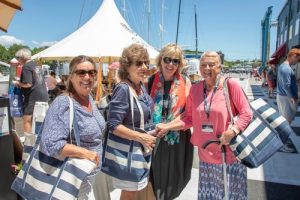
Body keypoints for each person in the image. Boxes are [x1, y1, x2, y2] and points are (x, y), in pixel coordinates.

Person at [156, 51, 253, 200]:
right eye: (203, 65)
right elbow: (189, 119)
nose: (207, 68)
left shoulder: (230, 85)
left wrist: (233, 131)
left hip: (228, 156)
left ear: (220, 67)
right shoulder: (195, 90)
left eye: (211, 64)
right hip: (206, 157)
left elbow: (247, 113)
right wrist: (167, 127)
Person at [40, 55, 106, 199]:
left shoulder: (89, 99)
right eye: (81, 72)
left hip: (88, 177)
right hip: (70, 179)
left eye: (91, 72)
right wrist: (85, 153)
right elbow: (50, 144)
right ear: (71, 76)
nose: (87, 76)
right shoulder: (63, 103)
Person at [107, 43, 156, 200]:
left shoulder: (141, 87)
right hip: (127, 152)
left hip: (140, 150)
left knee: (134, 191)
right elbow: (113, 125)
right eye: (138, 63)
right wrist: (141, 137)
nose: (144, 67)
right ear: (127, 66)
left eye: (145, 62)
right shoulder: (123, 89)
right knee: (129, 194)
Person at [147, 43, 193, 200]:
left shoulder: (185, 81)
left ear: (179, 64)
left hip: (178, 137)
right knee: (155, 177)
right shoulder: (150, 80)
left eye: (175, 61)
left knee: (174, 178)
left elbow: (189, 112)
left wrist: (168, 126)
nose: (170, 64)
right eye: (167, 59)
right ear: (161, 60)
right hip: (155, 136)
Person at [14, 48, 48, 134]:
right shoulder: (36, 65)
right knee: (38, 120)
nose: (18, 60)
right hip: (43, 94)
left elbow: (28, 84)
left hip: (33, 96)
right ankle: (37, 140)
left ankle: (28, 144)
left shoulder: (26, 67)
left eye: (18, 57)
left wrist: (18, 83)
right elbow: (37, 80)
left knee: (27, 120)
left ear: (23, 57)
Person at [276, 48, 300, 124]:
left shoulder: (283, 66)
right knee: (286, 121)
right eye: (298, 59)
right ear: (293, 56)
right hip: (286, 98)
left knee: (285, 120)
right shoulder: (286, 68)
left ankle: (283, 135)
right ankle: (284, 135)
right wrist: (292, 98)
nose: (297, 62)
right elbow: (286, 86)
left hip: (284, 97)